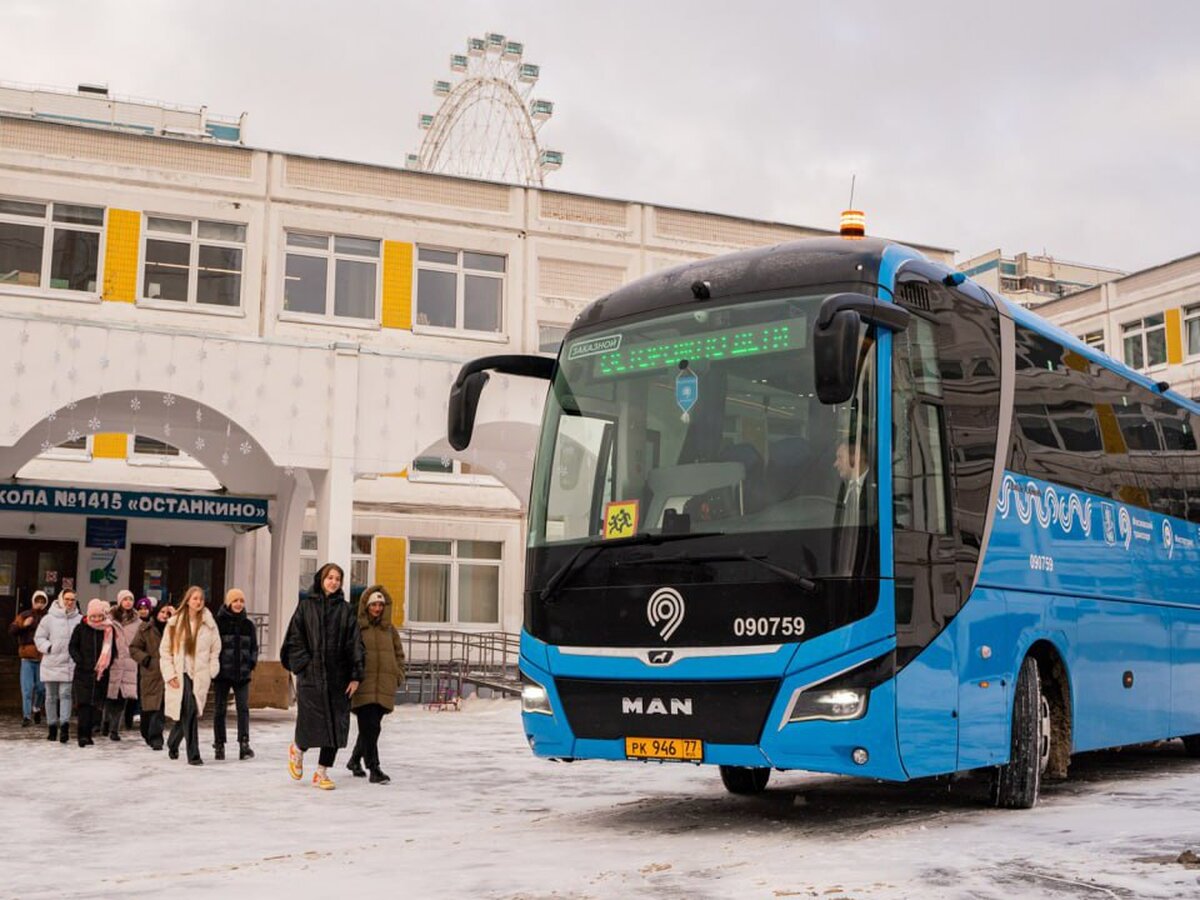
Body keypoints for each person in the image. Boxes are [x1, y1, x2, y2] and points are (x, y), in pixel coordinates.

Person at [282, 563, 364, 790]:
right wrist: (304, 665)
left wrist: (356, 675)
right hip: (312, 677)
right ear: (321, 579)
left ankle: (321, 772)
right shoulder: (306, 607)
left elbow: (355, 643)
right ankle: (298, 749)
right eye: (330, 577)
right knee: (310, 724)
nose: (334, 582)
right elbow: (294, 639)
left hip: (339, 678)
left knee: (336, 728)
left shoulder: (347, 610)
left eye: (338, 578)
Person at [347, 585, 405, 785]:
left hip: (384, 684)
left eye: (381, 604)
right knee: (370, 726)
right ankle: (374, 767)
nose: (377, 608)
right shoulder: (356, 627)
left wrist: (399, 674)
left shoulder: (389, 630)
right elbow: (350, 653)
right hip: (363, 684)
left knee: (372, 728)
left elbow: (399, 654)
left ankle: (355, 760)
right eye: (374, 604)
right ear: (366, 606)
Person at [160, 586, 221, 765]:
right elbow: (165, 651)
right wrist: (169, 674)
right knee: (191, 710)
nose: (198, 602)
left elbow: (215, 648)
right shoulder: (175, 623)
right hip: (181, 672)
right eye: (194, 598)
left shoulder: (209, 623)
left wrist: (212, 668)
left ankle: (172, 741)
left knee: (189, 712)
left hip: (200, 673)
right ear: (187, 600)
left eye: (201, 599)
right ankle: (193, 754)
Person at [212, 588, 259, 761]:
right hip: (222, 674)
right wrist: (214, 666)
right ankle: (219, 744)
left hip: (242, 673)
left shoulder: (248, 625)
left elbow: (254, 647)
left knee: (243, 709)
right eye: (235, 601)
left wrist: (252, 662)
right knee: (219, 709)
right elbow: (213, 647)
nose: (238, 604)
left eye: (241, 601)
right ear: (228, 603)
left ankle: (244, 744)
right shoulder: (218, 623)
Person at [69, 599, 119, 747]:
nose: (97, 619)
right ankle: (82, 735)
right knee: (84, 704)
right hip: (83, 673)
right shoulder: (80, 628)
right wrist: (80, 661)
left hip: (101, 674)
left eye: (100, 616)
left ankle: (89, 734)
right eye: (94, 616)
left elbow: (113, 650)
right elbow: (72, 647)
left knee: (95, 705)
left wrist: (106, 665)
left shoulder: (108, 629)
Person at [34, 590, 80, 743]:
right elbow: (39, 637)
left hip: (69, 663)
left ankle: (65, 726)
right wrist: (48, 647)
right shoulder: (49, 618)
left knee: (66, 695)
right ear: (61, 599)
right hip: (51, 663)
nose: (69, 602)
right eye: (67, 599)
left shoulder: (79, 619)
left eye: (72, 600)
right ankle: (52, 727)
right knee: (50, 697)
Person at [129, 602, 172, 750]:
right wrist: (145, 659)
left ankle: (156, 738)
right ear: (156, 613)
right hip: (150, 672)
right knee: (148, 708)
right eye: (162, 612)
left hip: (166, 673)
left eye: (168, 613)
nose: (164, 616)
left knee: (159, 707)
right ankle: (147, 732)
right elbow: (134, 648)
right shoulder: (145, 629)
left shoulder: (173, 630)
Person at [102, 590, 140, 741]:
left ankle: (114, 729)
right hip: (113, 661)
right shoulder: (110, 619)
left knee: (122, 698)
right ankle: (105, 721)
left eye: (131, 599)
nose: (128, 602)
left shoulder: (138, 622)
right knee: (110, 696)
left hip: (130, 662)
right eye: (125, 599)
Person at [9, 590, 49, 726]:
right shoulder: (24, 615)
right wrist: (23, 625)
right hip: (26, 656)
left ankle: (36, 707)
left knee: (41, 688)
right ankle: (26, 716)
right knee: (26, 689)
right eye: (37, 601)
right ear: (33, 601)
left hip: (43, 657)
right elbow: (12, 630)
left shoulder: (48, 617)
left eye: (42, 601)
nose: (39, 604)